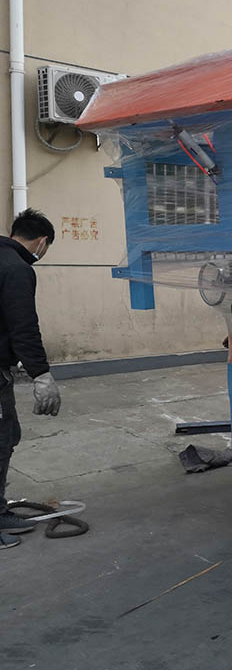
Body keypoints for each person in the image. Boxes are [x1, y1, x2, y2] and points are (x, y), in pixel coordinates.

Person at [0, 209, 61, 547]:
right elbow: (23, 326)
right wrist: (41, 374)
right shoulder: (16, 269)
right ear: (41, 242)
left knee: (8, 433)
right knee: (1, 438)